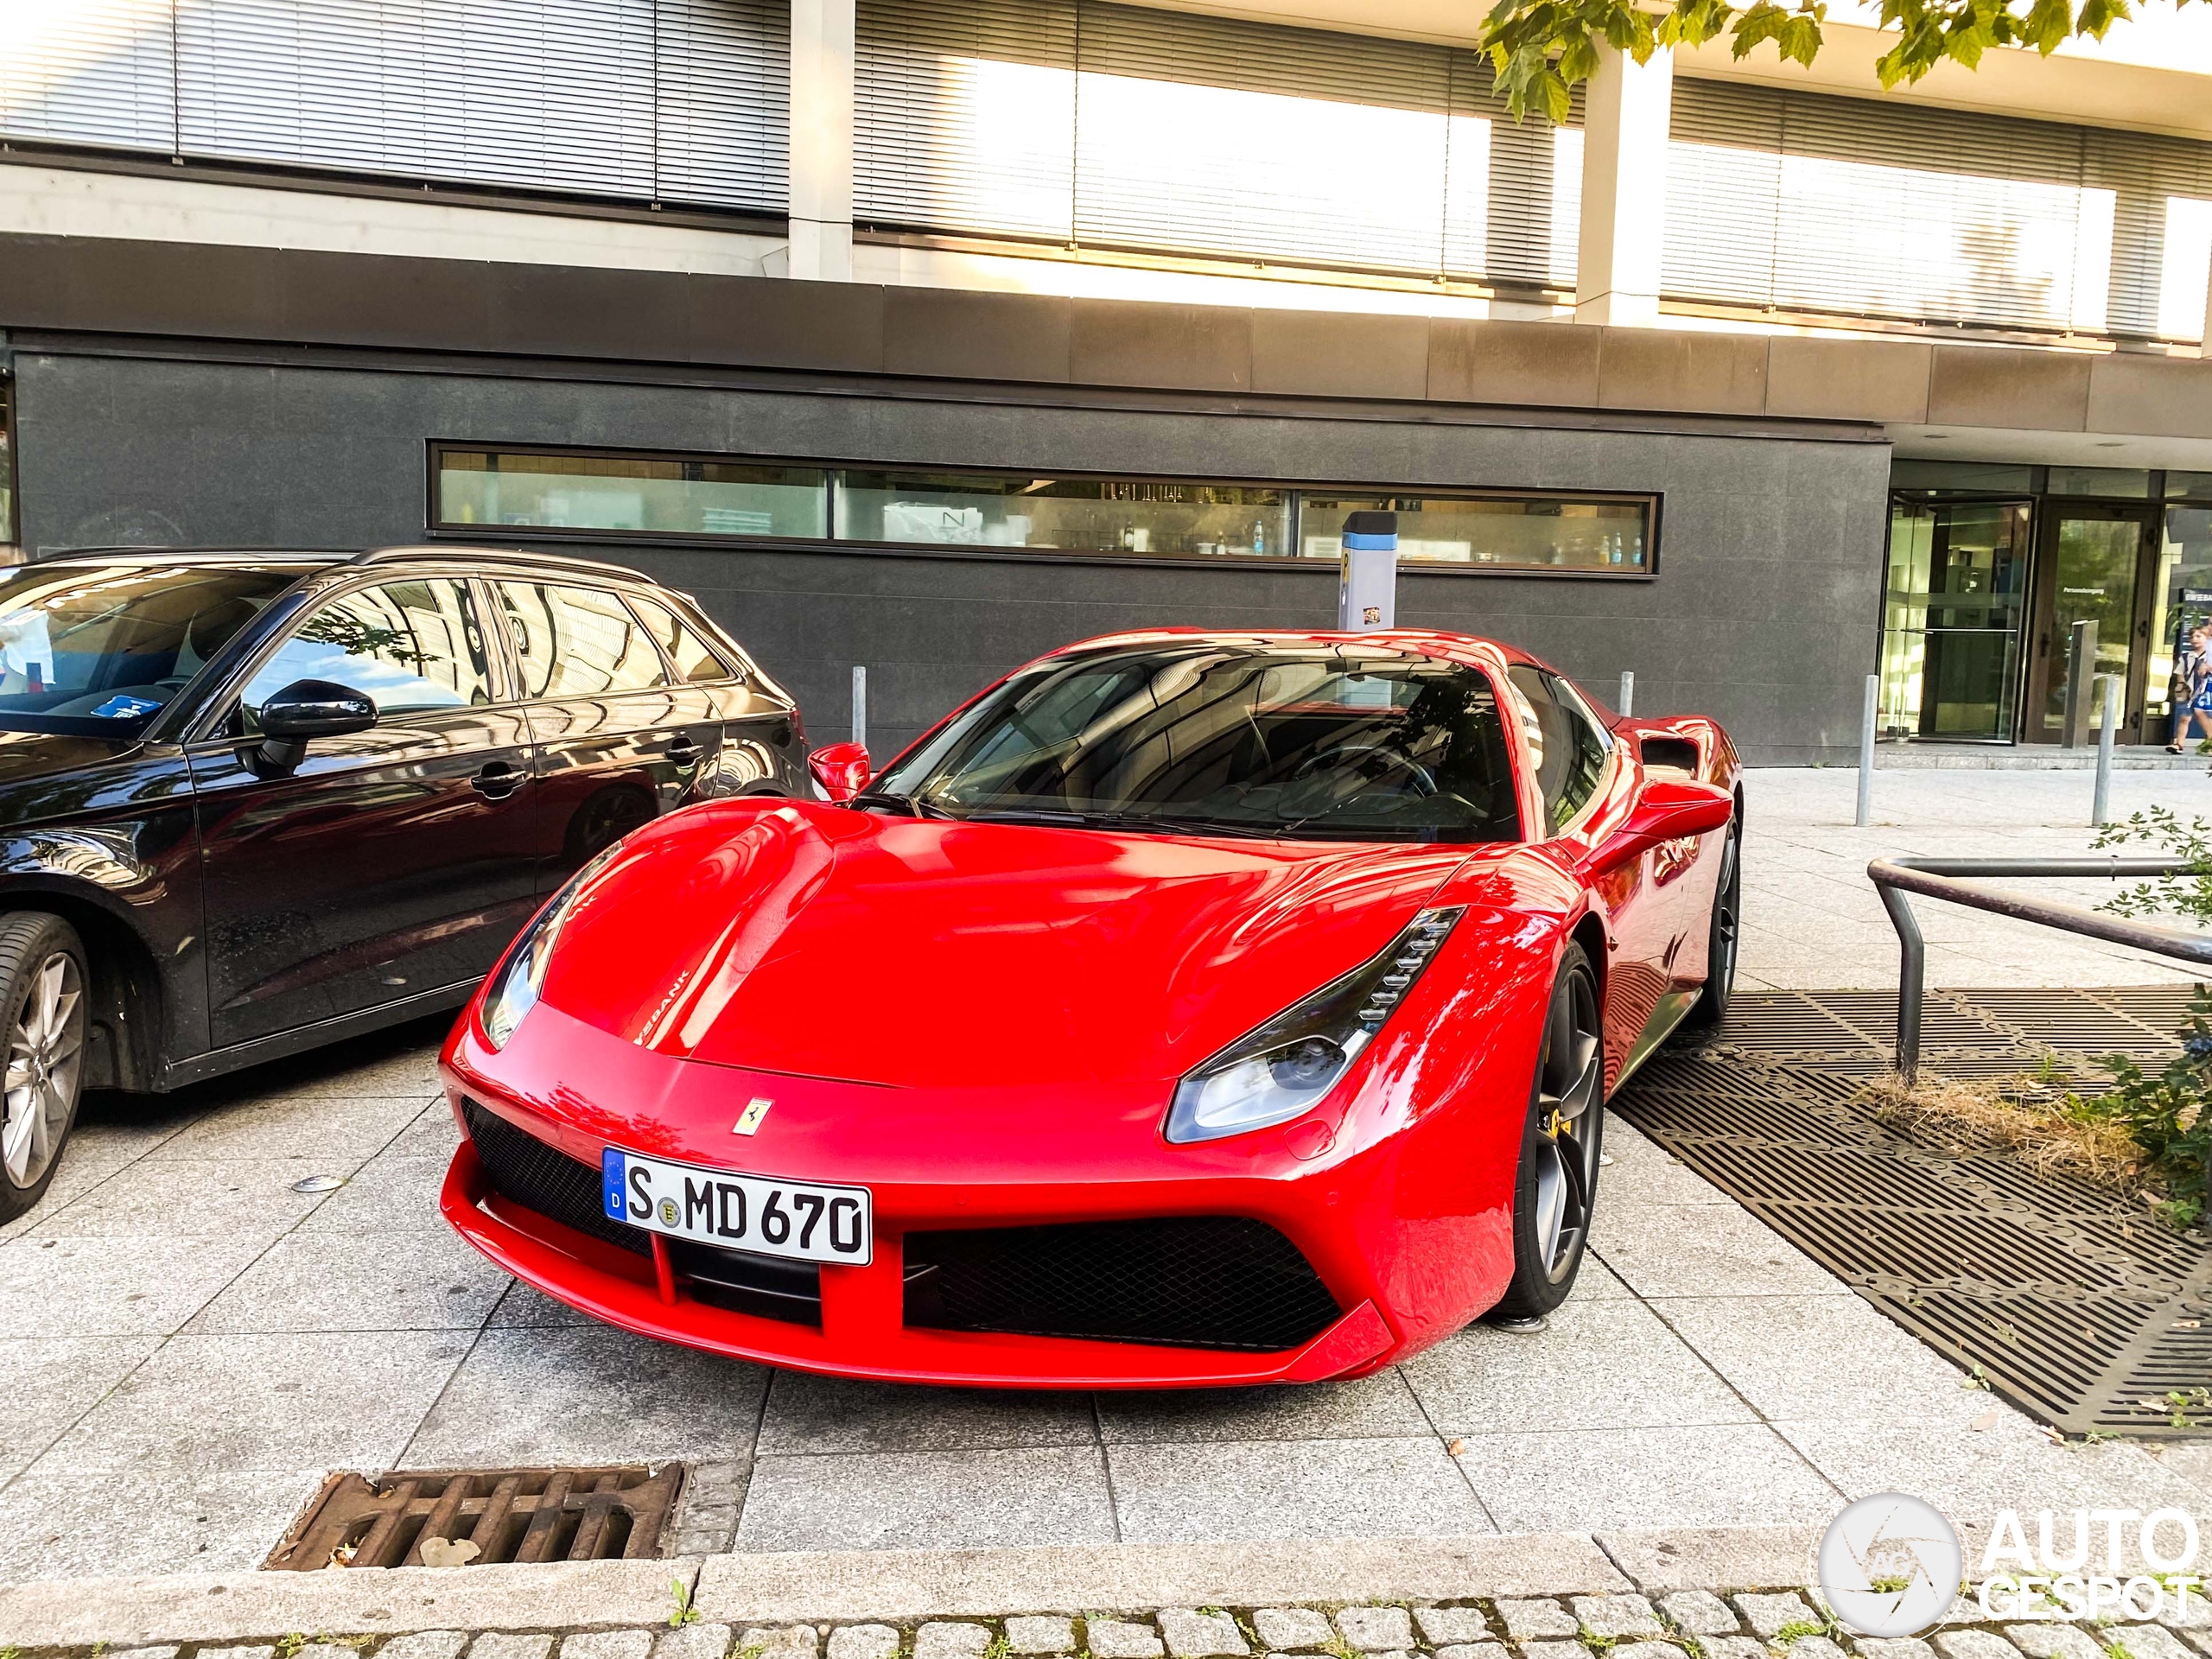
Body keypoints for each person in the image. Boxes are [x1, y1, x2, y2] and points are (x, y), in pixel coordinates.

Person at [2168, 623, 2212, 751]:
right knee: (2184, 717)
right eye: (2192, 636)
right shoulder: (2186, 657)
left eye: (2198, 636)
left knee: (2204, 717)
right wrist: (2182, 686)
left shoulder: (2209, 657)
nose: (2194, 639)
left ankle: (2209, 743)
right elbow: (2180, 673)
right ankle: (2179, 744)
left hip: (2204, 692)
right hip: (2188, 691)